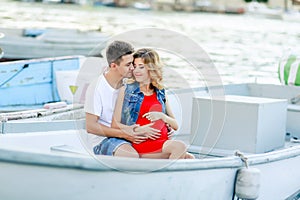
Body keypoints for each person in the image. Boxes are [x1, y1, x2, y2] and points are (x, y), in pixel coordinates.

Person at [112, 48, 195, 159]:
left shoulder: (160, 92)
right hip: (141, 144)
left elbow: (175, 125)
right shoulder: (126, 91)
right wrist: (138, 130)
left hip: (162, 142)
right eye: (134, 66)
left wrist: (162, 116)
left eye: (141, 67)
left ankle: (167, 174)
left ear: (151, 69)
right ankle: (167, 175)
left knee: (189, 157)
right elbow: (115, 124)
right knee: (180, 147)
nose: (136, 70)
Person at [84, 41, 161, 158]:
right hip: (104, 140)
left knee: (173, 151)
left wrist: (162, 125)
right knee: (131, 155)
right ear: (114, 66)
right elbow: (91, 126)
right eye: (128, 65)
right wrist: (124, 134)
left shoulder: (130, 83)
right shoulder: (97, 88)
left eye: (133, 64)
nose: (132, 68)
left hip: (130, 132)